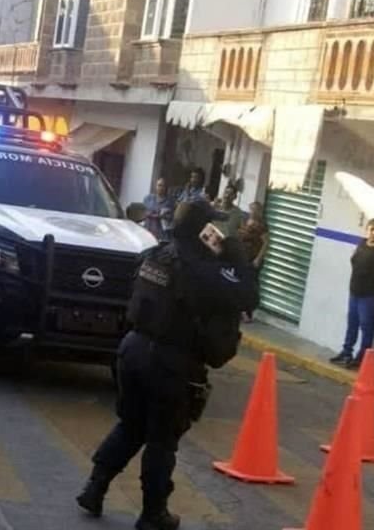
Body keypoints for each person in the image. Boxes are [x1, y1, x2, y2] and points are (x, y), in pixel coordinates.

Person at [76, 201, 257, 530]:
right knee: (161, 439)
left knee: (131, 425)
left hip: (132, 351)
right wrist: (237, 258)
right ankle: (152, 513)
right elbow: (248, 296)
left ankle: (94, 488)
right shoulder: (202, 270)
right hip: (169, 361)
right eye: (211, 228)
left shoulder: (156, 255)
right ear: (202, 232)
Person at [330, 219, 374, 368]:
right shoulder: (362, 244)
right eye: (372, 229)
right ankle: (346, 352)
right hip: (355, 291)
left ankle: (362, 357)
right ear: (367, 230)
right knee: (352, 324)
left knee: (367, 327)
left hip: (370, 295)